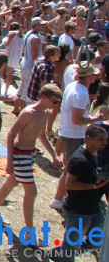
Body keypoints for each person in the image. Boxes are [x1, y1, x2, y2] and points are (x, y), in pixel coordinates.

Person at [0, 83, 62, 238]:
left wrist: (54, 155)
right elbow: (11, 134)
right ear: (43, 97)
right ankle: (29, 233)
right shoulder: (28, 113)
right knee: (31, 191)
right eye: (54, 101)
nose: (56, 105)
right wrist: (9, 160)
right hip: (20, 154)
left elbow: (41, 136)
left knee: (12, 182)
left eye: (58, 102)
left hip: (29, 154)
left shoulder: (45, 113)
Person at [50, 64, 107, 211]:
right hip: (74, 135)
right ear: (88, 76)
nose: (96, 76)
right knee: (70, 170)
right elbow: (77, 119)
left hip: (69, 133)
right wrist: (94, 119)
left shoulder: (74, 86)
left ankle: (60, 197)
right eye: (93, 74)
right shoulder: (81, 94)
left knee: (69, 168)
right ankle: (58, 199)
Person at [50, 124, 109, 260]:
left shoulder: (92, 154)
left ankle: (58, 253)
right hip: (78, 211)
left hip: (93, 208)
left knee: (97, 240)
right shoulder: (80, 160)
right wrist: (94, 186)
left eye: (105, 139)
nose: (104, 143)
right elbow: (69, 185)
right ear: (88, 138)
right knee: (70, 248)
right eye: (100, 139)